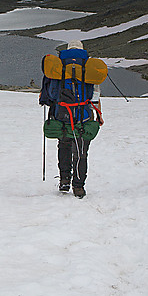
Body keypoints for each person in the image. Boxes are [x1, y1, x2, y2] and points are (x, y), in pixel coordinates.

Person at [39, 40, 104, 198]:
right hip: (83, 116)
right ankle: (79, 187)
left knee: (64, 146)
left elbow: (49, 94)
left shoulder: (57, 68)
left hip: (61, 115)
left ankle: (64, 180)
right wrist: (99, 115)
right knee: (81, 152)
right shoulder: (89, 68)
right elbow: (95, 97)